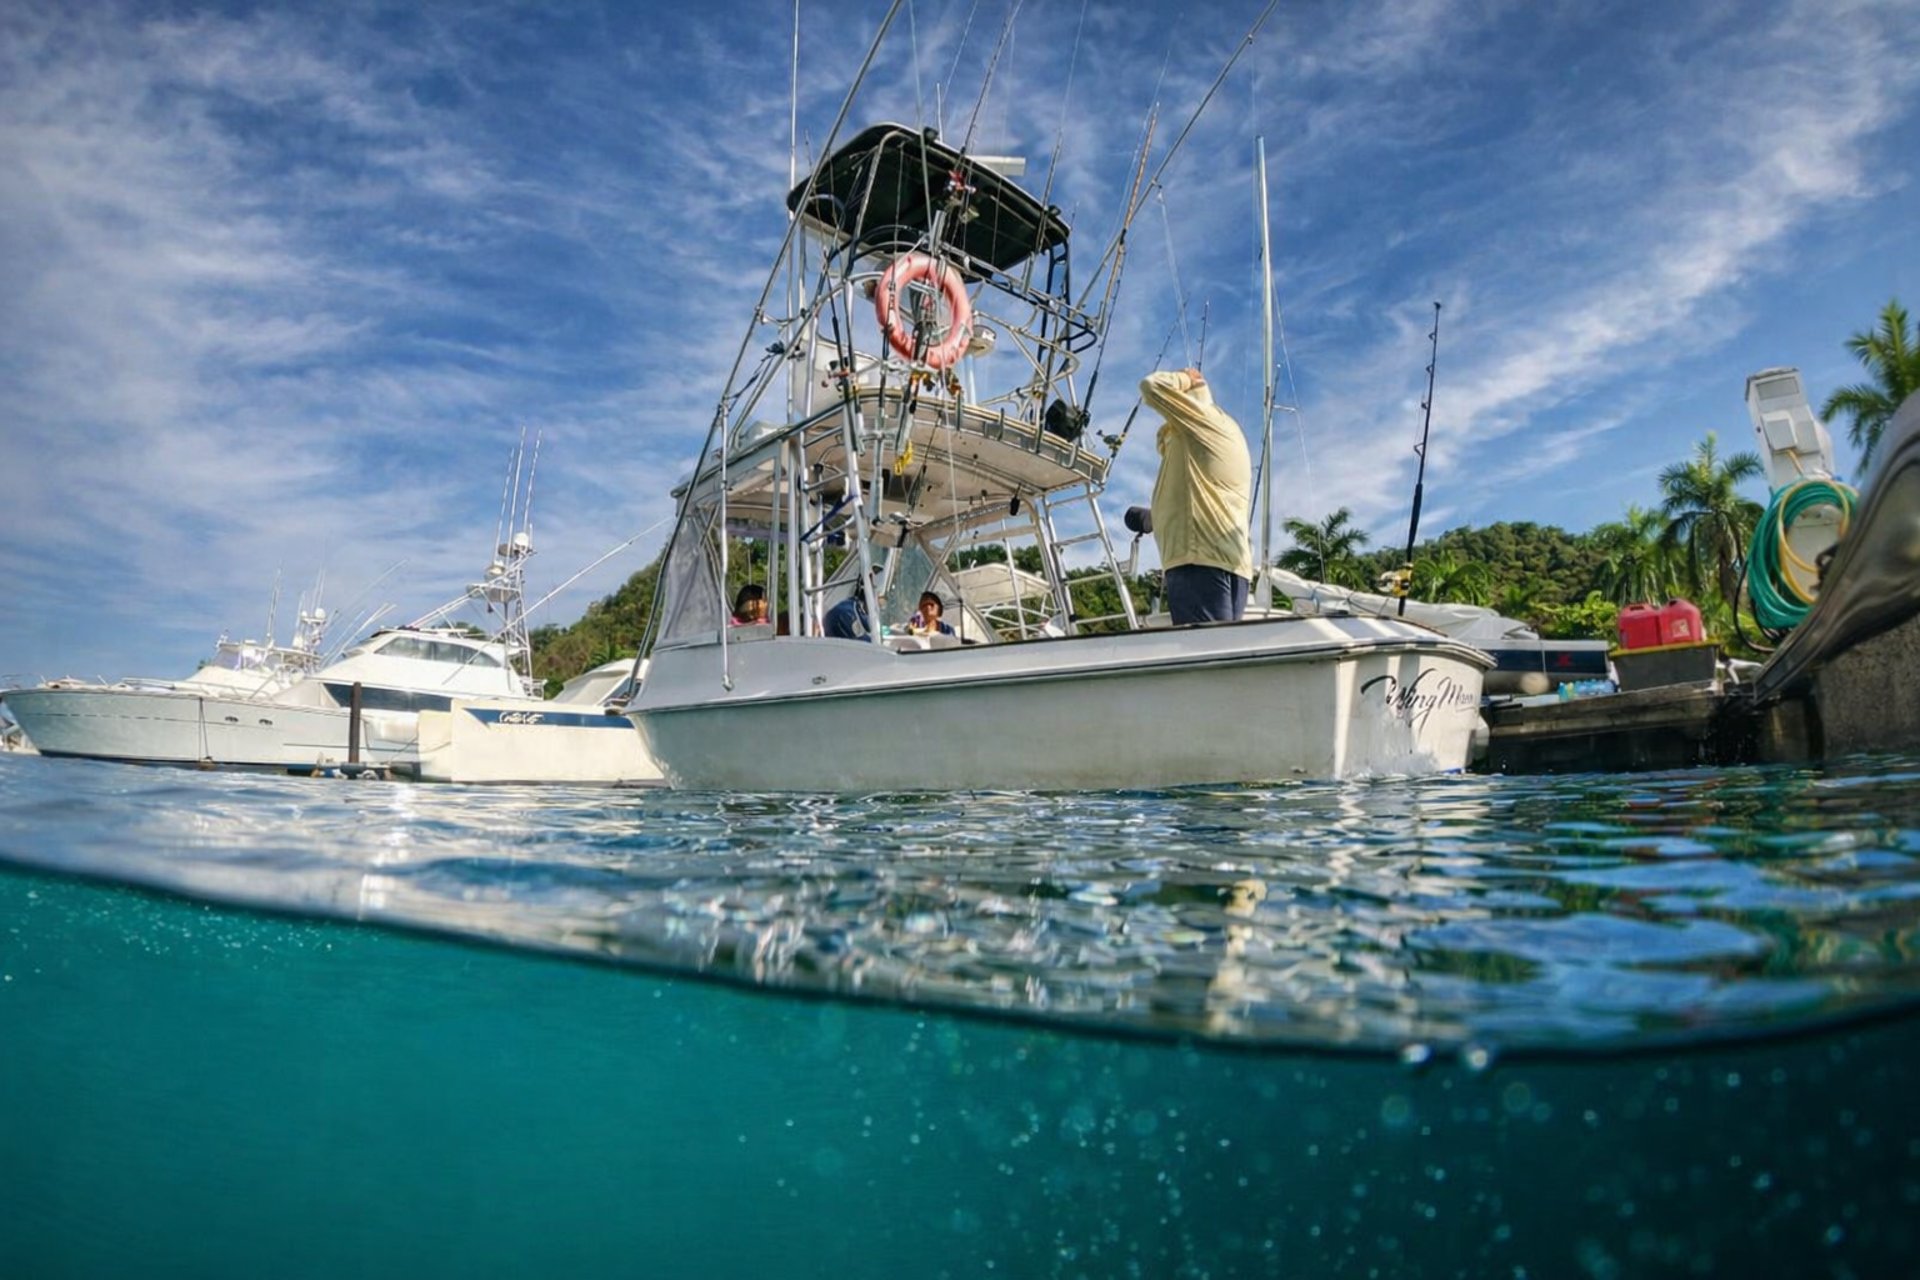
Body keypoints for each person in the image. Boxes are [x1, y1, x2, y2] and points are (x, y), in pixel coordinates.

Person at [1139, 366, 1253, 625]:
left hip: (1196, 559)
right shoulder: (1227, 428)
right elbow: (1167, 445)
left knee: (1212, 655)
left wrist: (1184, 377)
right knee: (1226, 651)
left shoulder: (1198, 422)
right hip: (1233, 565)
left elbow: (1151, 386)